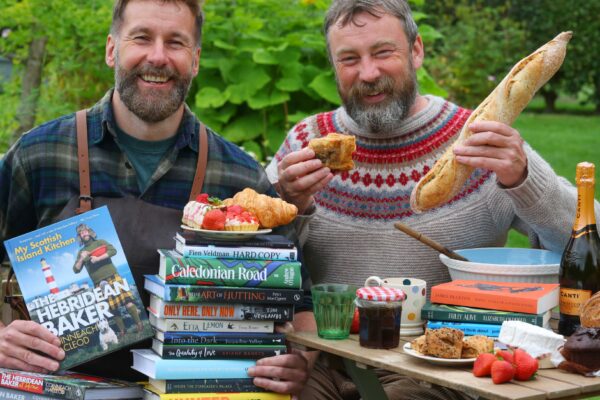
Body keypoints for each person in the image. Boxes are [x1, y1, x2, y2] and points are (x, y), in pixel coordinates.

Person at [266, 0, 600, 398]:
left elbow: (586, 243)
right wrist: (288, 204)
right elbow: (254, 261)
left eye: (383, 52)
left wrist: (524, 177)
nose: (368, 73)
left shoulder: (476, 139)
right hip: (320, 360)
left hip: (436, 369)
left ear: (417, 50)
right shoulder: (305, 144)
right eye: (349, 59)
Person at [0, 0, 314, 395]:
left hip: (198, 392)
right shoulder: (39, 155)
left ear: (195, 60)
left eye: (176, 43)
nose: (158, 57)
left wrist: (299, 360)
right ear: (112, 49)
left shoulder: (238, 176)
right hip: (59, 389)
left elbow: (300, 301)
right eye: (142, 38)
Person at [73, 223, 143, 337]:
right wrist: (81, 258)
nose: (84, 233)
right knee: (110, 308)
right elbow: (76, 270)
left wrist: (98, 258)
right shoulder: (81, 252)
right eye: (81, 232)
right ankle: (122, 331)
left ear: (89, 231)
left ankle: (139, 324)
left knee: (127, 301)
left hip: (113, 276)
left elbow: (113, 250)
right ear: (79, 236)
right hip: (98, 283)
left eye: (85, 230)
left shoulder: (100, 242)